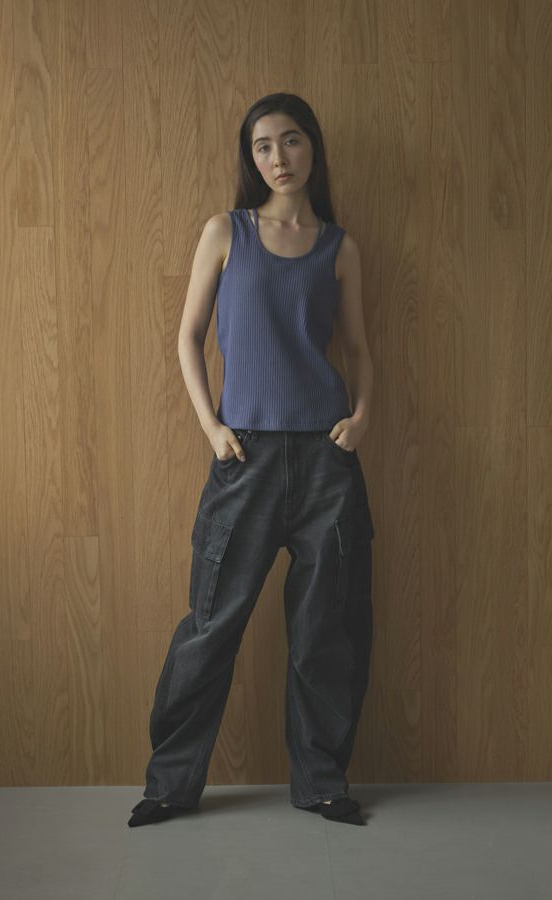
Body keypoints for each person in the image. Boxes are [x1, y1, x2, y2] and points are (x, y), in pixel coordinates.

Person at [128, 92, 375, 829]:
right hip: (245, 456)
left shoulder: (340, 247)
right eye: (263, 146)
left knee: (327, 629)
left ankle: (322, 782)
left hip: (328, 459)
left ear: (312, 147)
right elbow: (188, 336)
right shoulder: (225, 231)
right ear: (251, 158)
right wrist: (211, 427)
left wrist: (363, 416)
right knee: (211, 624)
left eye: (290, 140)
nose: (278, 157)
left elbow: (357, 348)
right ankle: (170, 785)